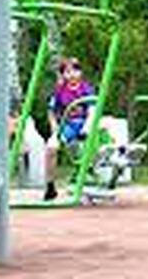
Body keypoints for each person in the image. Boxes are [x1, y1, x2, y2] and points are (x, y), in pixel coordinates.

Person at [44, 57, 96, 201]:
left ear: (80, 72)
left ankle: (92, 172)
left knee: (91, 143)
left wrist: (86, 128)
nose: (72, 74)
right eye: (68, 72)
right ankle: (50, 185)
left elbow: (93, 110)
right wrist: (55, 129)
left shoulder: (86, 88)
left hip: (85, 125)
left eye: (75, 70)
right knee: (51, 148)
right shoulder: (60, 90)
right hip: (68, 126)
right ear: (63, 74)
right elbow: (51, 111)